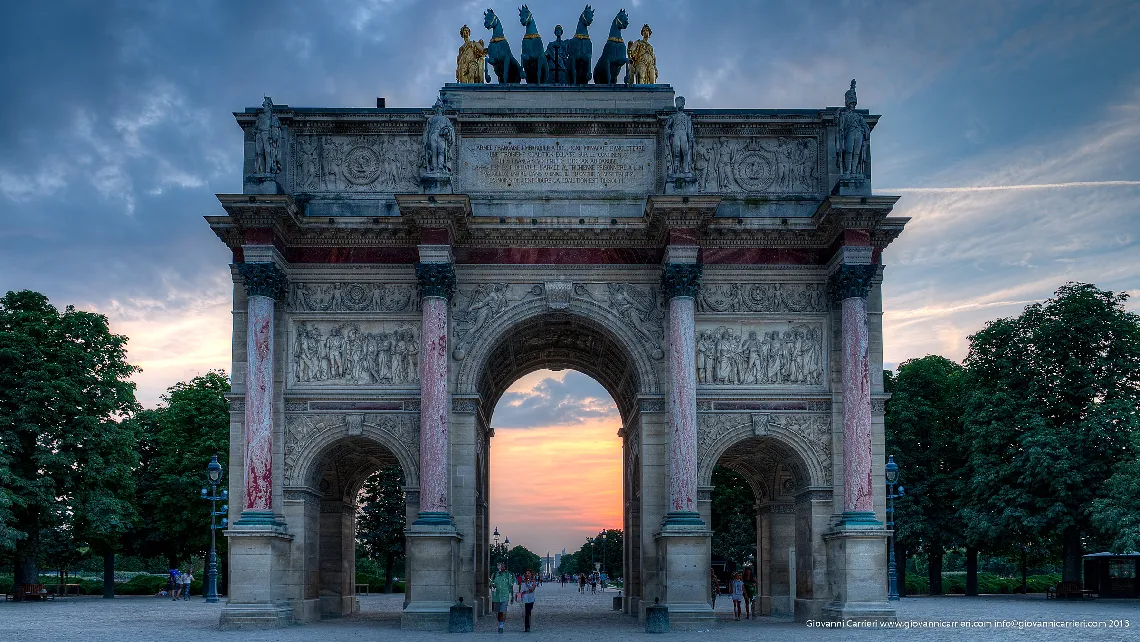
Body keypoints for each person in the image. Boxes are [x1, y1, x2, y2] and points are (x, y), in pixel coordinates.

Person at [490, 562, 514, 634]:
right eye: (500, 567)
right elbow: (490, 584)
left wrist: (512, 596)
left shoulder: (508, 575)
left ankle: (501, 626)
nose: (502, 568)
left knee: (502, 611)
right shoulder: (494, 575)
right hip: (496, 596)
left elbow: (511, 585)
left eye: (503, 567)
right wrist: (492, 585)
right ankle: (500, 622)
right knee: (498, 612)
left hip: (504, 596)